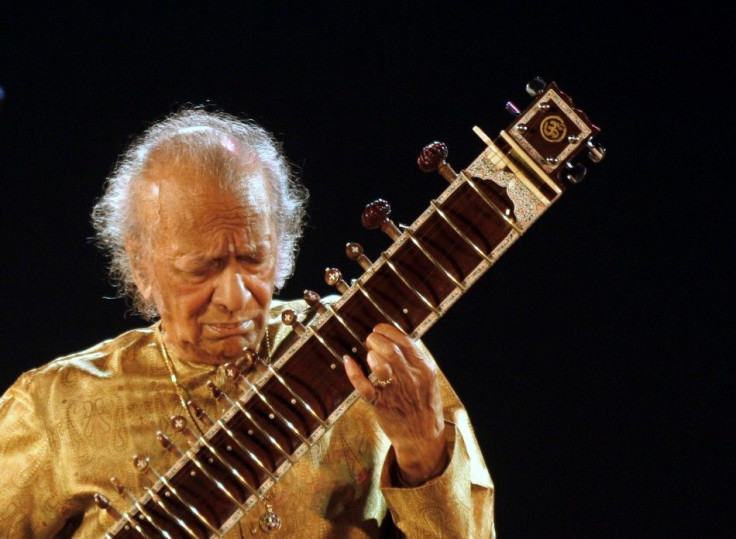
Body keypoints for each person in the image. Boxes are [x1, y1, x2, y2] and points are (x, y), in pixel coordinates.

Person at [0, 109, 494, 537]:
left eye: (253, 260)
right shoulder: (52, 409)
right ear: (140, 264)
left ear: (281, 246)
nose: (235, 298)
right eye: (202, 268)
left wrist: (423, 450)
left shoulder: (370, 359)